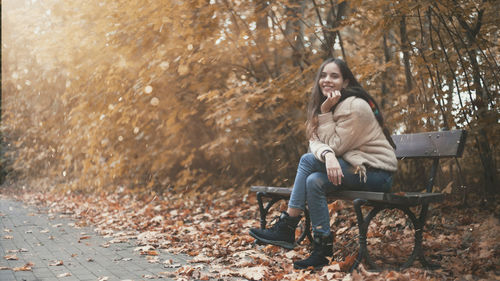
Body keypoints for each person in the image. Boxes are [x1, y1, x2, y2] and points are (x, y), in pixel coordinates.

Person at [249, 58, 398, 269]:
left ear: (345, 82)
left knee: (307, 161)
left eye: (334, 76)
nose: (327, 80)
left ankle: (288, 225)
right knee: (314, 180)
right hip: (352, 167)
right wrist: (328, 155)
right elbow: (315, 143)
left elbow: (334, 146)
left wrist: (326, 119)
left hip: (377, 173)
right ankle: (322, 250)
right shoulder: (325, 106)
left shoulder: (355, 106)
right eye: (324, 75)